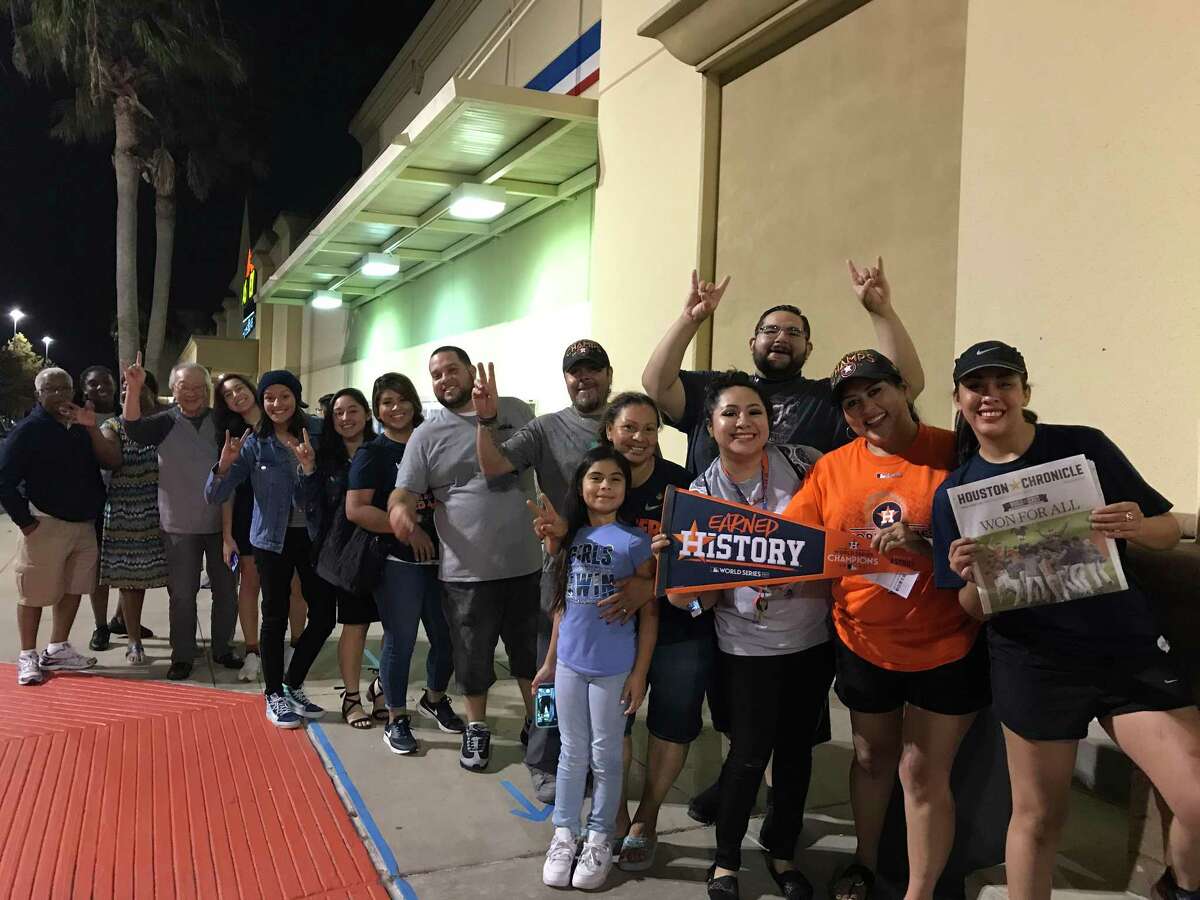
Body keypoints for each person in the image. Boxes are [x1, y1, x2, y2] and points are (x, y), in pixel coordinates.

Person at [932, 342, 1200, 900]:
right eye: (976, 386)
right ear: (958, 401)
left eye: (1004, 383)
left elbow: (1167, 529)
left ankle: (1180, 888)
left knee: (1195, 795)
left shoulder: (1084, 446)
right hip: (1034, 665)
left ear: (1025, 393)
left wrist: (1136, 526)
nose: (991, 396)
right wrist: (977, 582)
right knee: (1037, 817)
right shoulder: (955, 493)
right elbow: (969, 610)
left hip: (1125, 650)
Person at [783, 350, 988, 900]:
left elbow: (993, 533)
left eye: (876, 392)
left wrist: (928, 545)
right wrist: (703, 547)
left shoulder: (956, 451)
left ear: (903, 389)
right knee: (873, 759)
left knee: (923, 773)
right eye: (852, 403)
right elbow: (788, 543)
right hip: (862, 641)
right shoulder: (832, 468)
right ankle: (866, 862)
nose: (867, 408)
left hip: (947, 643)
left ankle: (920, 890)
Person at [654, 370, 831, 900]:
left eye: (754, 412)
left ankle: (782, 853)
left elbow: (839, 531)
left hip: (811, 637)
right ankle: (726, 859)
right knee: (749, 753)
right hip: (745, 646)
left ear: (769, 422)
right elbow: (695, 600)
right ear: (710, 426)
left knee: (797, 754)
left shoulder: (806, 466)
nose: (743, 422)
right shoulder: (697, 500)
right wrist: (678, 577)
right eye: (729, 413)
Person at [475, 339, 653, 802]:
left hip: (626, 581)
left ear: (609, 373)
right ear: (566, 379)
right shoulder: (546, 428)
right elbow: (494, 464)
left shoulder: (628, 429)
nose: (585, 378)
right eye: (576, 371)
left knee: (614, 684)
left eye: (594, 369)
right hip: (564, 578)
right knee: (550, 673)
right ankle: (544, 758)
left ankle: (597, 762)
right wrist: (486, 420)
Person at [390, 346, 541, 771]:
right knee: (472, 658)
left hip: (525, 565)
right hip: (466, 573)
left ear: (471, 370)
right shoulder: (426, 434)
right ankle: (477, 729)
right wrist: (400, 510)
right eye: (435, 374)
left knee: (531, 657)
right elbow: (403, 490)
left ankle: (538, 727)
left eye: (450, 370)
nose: (443, 379)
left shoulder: (514, 412)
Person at [641, 259, 926, 475]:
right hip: (710, 535)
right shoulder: (717, 391)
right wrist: (689, 320)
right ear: (753, 343)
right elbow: (656, 384)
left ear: (809, 348)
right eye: (771, 330)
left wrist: (881, 312)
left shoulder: (826, 398)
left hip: (793, 541)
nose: (781, 337)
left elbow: (905, 386)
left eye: (793, 333)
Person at [532, 446, 657, 890]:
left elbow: (650, 613)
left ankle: (600, 837)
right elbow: (562, 607)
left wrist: (640, 672)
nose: (605, 487)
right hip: (569, 665)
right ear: (581, 487)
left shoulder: (635, 541)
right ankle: (565, 833)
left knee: (606, 757)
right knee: (571, 753)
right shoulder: (571, 538)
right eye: (595, 479)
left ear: (626, 488)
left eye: (615, 479)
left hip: (613, 668)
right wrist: (549, 662)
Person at [600, 392, 704, 869]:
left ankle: (648, 815)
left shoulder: (682, 487)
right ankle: (616, 816)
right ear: (609, 431)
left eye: (648, 429)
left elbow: (702, 563)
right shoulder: (598, 482)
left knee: (671, 724)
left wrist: (652, 590)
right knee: (613, 724)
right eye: (629, 429)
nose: (639, 439)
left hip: (681, 629)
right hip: (615, 627)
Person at [205, 369, 335, 728]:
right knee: (274, 615)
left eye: (284, 396)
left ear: (296, 397)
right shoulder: (253, 441)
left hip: (312, 537)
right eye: (270, 398)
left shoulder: (320, 432)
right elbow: (215, 495)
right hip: (270, 540)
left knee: (324, 616)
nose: (277, 404)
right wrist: (223, 466)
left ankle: (293, 683)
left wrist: (310, 469)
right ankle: (274, 693)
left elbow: (332, 485)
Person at [346, 373, 463, 755]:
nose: (395, 408)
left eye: (401, 400)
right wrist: (407, 531)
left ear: (414, 401)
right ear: (376, 411)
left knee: (448, 638)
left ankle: (433, 697)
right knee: (402, 641)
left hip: (446, 561)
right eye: (385, 402)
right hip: (400, 562)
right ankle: (396, 716)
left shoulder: (433, 440)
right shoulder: (374, 453)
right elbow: (357, 509)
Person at [122, 355, 241, 680]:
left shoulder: (222, 422)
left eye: (198, 387)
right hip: (178, 527)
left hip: (222, 527)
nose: (191, 393)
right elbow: (132, 427)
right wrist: (134, 388)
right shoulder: (164, 421)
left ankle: (222, 648)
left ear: (207, 389)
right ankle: (183, 655)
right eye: (183, 387)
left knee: (227, 591)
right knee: (182, 595)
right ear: (174, 389)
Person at [0, 367, 120, 685]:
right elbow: (4, 480)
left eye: (65, 388)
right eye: (51, 389)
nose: (60, 395)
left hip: (83, 525)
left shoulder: (80, 427)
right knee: (34, 594)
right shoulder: (28, 430)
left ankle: (57, 648)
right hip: (45, 523)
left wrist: (91, 427)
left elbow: (109, 461)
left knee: (73, 588)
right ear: (39, 394)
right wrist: (25, 522)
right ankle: (28, 655)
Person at [299, 388, 379, 729]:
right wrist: (307, 469)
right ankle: (351, 697)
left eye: (352, 411)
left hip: (378, 548)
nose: (346, 418)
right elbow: (309, 502)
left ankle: (381, 689)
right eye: (338, 413)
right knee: (350, 624)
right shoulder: (324, 455)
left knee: (378, 623)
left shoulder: (381, 451)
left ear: (366, 413)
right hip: (339, 553)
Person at [98, 372, 168, 666]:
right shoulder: (112, 426)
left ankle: (119, 618)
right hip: (127, 510)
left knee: (149, 576)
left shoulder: (168, 424)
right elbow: (109, 459)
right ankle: (133, 640)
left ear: (152, 391)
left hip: (164, 508)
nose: (131, 392)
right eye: (126, 388)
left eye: (139, 387)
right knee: (131, 579)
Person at [213, 372, 264, 683]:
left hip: (286, 517)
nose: (236, 396)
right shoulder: (231, 435)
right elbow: (227, 489)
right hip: (247, 516)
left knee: (293, 587)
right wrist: (228, 534)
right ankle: (253, 651)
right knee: (250, 584)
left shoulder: (278, 421)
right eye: (228, 395)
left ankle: (293, 645)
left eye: (239, 389)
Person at [78, 365, 120, 652]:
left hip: (128, 501)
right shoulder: (79, 419)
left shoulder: (128, 415)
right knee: (99, 570)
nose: (101, 387)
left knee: (128, 566)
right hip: (94, 503)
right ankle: (101, 625)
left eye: (106, 382)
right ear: (84, 389)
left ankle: (121, 619)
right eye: (93, 384)